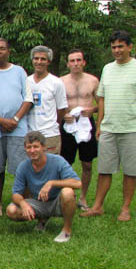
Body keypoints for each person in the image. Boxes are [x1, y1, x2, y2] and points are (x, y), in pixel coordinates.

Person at [81, 30, 136, 221]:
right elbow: (102, 99)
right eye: (114, 47)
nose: (117, 50)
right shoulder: (107, 68)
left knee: (130, 171)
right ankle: (97, 206)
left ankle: (125, 208)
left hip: (132, 128)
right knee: (104, 169)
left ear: (130, 47)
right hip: (109, 128)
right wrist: (99, 125)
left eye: (121, 46)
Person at [0, 38, 33, 217]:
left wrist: (15, 119)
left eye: (2, 48)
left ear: (8, 51)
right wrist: (1, 121)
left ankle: (22, 201)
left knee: (20, 167)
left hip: (18, 128)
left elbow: (28, 99)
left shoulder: (19, 71)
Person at [6, 131, 81, 243]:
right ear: (25, 149)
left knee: (68, 192)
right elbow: (16, 193)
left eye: (36, 147)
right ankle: (42, 219)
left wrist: (51, 183)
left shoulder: (57, 161)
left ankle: (66, 230)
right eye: (29, 147)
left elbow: (77, 183)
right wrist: (23, 204)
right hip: (39, 203)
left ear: (44, 147)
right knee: (11, 210)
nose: (32, 150)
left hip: (58, 202)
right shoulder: (23, 166)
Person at [59, 49, 99, 209]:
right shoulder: (61, 82)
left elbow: (101, 104)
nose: (75, 64)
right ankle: (67, 195)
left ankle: (83, 197)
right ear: (67, 64)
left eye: (78, 60)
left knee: (87, 163)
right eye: (72, 61)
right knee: (65, 162)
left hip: (86, 123)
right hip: (67, 124)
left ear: (83, 62)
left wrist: (92, 110)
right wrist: (63, 115)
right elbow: (55, 105)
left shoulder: (93, 81)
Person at [26, 45, 68, 154]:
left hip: (50, 134)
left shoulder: (56, 82)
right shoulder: (26, 82)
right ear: (32, 60)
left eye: (43, 59)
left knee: (50, 163)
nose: (39, 62)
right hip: (29, 133)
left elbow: (62, 109)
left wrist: (53, 123)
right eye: (36, 58)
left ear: (48, 61)